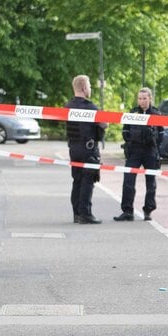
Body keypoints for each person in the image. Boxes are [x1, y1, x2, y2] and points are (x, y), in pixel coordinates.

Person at [114, 87, 164, 222]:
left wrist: (154, 147)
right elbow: (125, 131)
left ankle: (148, 210)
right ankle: (127, 211)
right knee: (128, 181)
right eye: (140, 98)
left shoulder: (156, 114)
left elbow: (161, 134)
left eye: (144, 98)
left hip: (150, 151)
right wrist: (130, 142)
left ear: (150, 99)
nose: (142, 101)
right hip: (134, 150)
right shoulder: (132, 113)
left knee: (151, 183)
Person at [65, 74, 105, 224]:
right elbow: (103, 124)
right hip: (88, 149)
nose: (90, 88)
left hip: (73, 148)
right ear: (83, 88)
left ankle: (76, 214)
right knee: (88, 180)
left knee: (77, 180)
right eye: (89, 86)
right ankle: (85, 214)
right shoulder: (90, 107)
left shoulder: (68, 106)